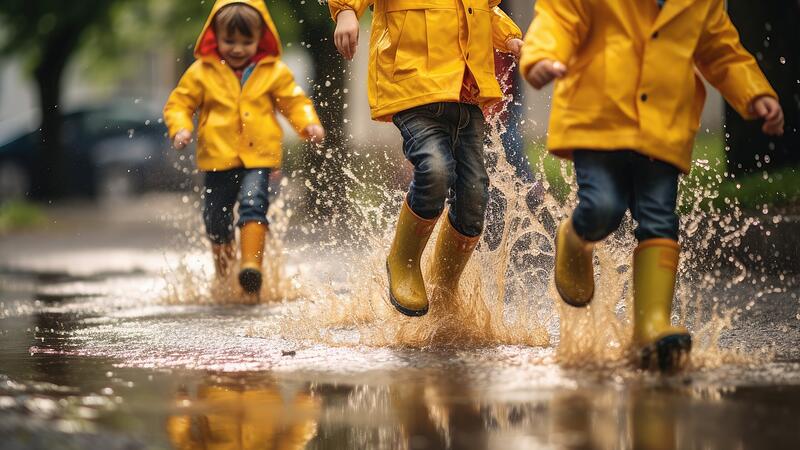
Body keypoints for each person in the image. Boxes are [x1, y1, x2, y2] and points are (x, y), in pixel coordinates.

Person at [520, 0, 784, 371]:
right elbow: (559, 17)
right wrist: (542, 57)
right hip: (598, 120)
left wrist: (756, 92)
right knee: (602, 207)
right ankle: (576, 236)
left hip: (664, 127)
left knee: (659, 220)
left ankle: (650, 324)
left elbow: (721, 48)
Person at [329, 0, 523, 317]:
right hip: (413, 90)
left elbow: (483, 11)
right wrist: (347, 12)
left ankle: (444, 286)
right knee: (435, 168)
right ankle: (403, 261)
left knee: (474, 195)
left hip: (466, 96)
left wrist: (511, 39)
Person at [164, 0, 325, 297]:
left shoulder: (273, 71)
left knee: (253, 203)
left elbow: (294, 101)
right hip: (217, 158)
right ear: (215, 37)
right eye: (229, 41)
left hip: (258, 157)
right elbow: (179, 103)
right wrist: (181, 128)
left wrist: (308, 124)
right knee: (215, 218)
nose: (237, 48)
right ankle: (225, 277)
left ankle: (251, 267)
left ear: (260, 39)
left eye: (246, 41)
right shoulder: (201, 72)